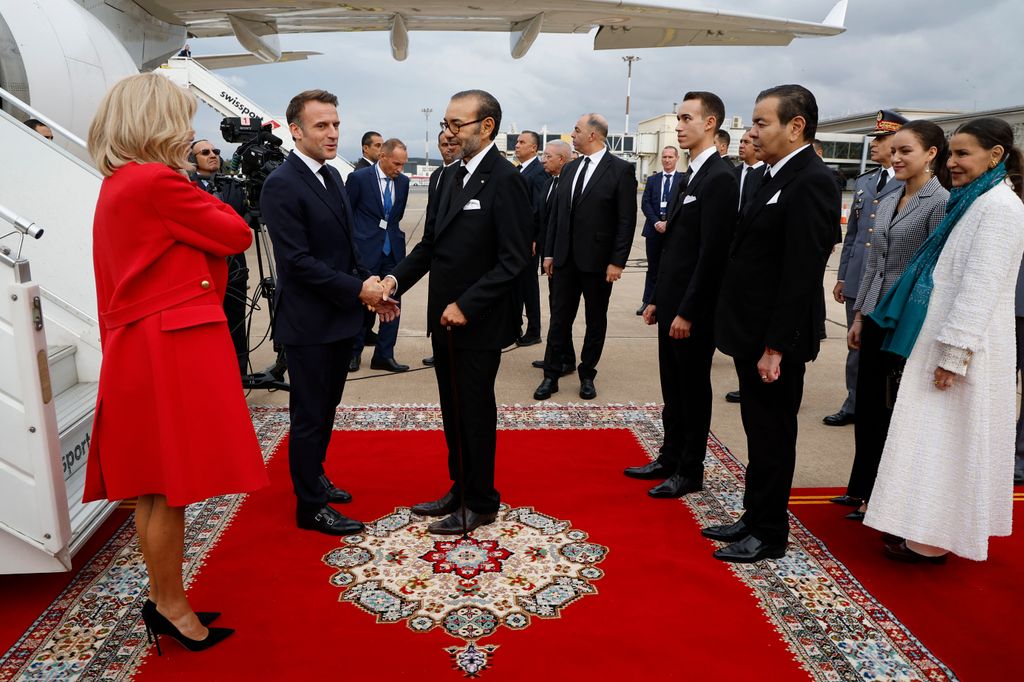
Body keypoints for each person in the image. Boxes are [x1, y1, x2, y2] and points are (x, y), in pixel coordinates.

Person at [83, 73, 268, 652]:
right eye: (181, 119)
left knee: (157, 486)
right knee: (169, 487)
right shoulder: (158, 182)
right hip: (169, 346)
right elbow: (237, 233)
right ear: (155, 124)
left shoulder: (121, 183)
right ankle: (169, 604)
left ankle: (168, 598)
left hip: (144, 343)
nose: (191, 133)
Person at [864, 118, 1024, 563]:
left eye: (962, 154)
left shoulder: (1000, 209)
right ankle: (923, 530)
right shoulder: (975, 201)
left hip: (964, 350)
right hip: (944, 340)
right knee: (935, 443)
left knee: (948, 446)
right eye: (951, 153)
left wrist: (953, 355)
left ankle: (932, 541)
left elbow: (981, 287)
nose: (951, 162)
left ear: (996, 156)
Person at [382, 89, 532, 535]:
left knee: (474, 410)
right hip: (442, 320)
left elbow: (514, 259)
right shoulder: (449, 177)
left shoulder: (505, 180)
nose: (447, 132)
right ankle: (460, 486)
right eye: (445, 123)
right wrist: (393, 282)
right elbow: (430, 245)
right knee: (452, 409)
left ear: (486, 127)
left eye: (455, 124)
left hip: (478, 320)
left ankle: (482, 500)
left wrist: (468, 304)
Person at [704, 84, 839, 563]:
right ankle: (753, 514)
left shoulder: (812, 180)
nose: (751, 131)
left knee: (774, 432)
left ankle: (770, 533)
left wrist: (777, 345)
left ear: (795, 126)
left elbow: (801, 272)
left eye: (761, 123)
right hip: (750, 330)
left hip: (776, 337)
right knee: (757, 428)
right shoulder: (769, 175)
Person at [261, 90, 397, 536]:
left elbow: (347, 248)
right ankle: (310, 507)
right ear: (296, 131)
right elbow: (296, 262)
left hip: (339, 317)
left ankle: (314, 477)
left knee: (327, 408)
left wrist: (373, 289)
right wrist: (358, 288)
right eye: (322, 126)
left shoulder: (333, 177)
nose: (333, 133)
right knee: (309, 414)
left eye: (336, 124)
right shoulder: (282, 183)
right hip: (309, 323)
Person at [625, 92, 739, 497]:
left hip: (693, 310)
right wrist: (656, 297)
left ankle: (690, 469)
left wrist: (688, 311)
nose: (679, 125)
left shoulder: (721, 178)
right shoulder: (690, 176)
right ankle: (670, 456)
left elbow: (712, 255)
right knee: (672, 387)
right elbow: (675, 248)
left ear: (710, 123)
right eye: (678, 118)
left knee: (692, 389)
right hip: (671, 302)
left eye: (686, 118)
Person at [837, 121, 950, 521]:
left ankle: (883, 497)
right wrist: (860, 316)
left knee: (892, 408)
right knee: (867, 404)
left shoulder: (940, 203)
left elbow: (934, 272)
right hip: (876, 317)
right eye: (894, 151)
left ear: (931, 154)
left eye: (907, 151)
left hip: (907, 322)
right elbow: (873, 266)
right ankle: (861, 487)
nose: (897, 158)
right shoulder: (888, 199)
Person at [536, 112, 638, 400]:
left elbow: (625, 220)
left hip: (598, 262)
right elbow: (558, 214)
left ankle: (587, 374)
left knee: (595, 320)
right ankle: (551, 375)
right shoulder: (570, 168)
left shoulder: (620, 170)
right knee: (559, 319)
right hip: (565, 260)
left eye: (577, 130)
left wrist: (617, 261)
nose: (573, 134)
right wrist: (550, 253)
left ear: (592, 135)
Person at [826, 111, 909, 430]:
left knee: (886, 350)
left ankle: (884, 407)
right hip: (859, 277)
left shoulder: (909, 183)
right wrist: (843, 275)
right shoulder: (865, 181)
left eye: (881, 139)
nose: (875, 145)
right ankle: (853, 402)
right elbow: (855, 235)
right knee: (855, 345)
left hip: (890, 282)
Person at [346, 138, 411, 373]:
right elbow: (347, 215)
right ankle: (353, 353)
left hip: (392, 251)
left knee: (392, 301)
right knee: (364, 302)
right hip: (365, 251)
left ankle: (384, 355)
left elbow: (396, 216)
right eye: (396, 163)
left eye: (403, 164)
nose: (400, 169)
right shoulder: (359, 179)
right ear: (382, 157)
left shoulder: (403, 183)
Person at [189, 139, 250, 376]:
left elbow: (243, 217)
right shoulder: (187, 187)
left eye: (215, 151)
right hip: (205, 270)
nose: (213, 155)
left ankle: (240, 373)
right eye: (205, 152)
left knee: (236, 320)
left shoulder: (233, 186)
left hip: (235, 265)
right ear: (193, 159)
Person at [722, 129, 766, 405]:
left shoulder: (765, 176)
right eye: (740, 142)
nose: (742, 146)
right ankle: (745, 379)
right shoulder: (735, 174)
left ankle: (753, 381)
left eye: (747, 142)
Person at [531, 140, 578, 377]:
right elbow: (544, 219)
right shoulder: (550, 183)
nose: (543, 160)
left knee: (560, 311)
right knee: (555, 307)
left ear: (562, 159)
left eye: (547, 156)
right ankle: (565, 358)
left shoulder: (568, 185)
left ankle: (557, 359)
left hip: (563, 258)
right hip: (549, 255)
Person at [422, 130, 463, 368]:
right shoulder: (438, 175)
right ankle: (439, 346)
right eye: (443, 144)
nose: (448, 147)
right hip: (435, 251)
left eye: (452, 143)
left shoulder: (462, 174)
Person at [637, 146, 683, 315]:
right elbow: (645, 203)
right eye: (664, 157)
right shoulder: (652, 180)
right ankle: (647, 301)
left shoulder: (683, 180)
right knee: (653, 268)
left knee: (671, 268)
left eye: (670, 157)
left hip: (672, 233)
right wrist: (656, 222)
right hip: (654, 231)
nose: (667, 160)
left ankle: (669, 303)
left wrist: (668, 223)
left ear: (677, 158)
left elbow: (682, 205)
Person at [514, 130, 548, 346]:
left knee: (528, 285)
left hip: (529, 241)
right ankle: (514, 325)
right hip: (516, 238)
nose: (517, 145)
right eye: (517, 142)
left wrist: (536, 237)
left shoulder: (537, 172)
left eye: (522, 142)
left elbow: (539, 208)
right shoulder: (520, 170)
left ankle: (534, 330)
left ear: (533, 148)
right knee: (515, 284)